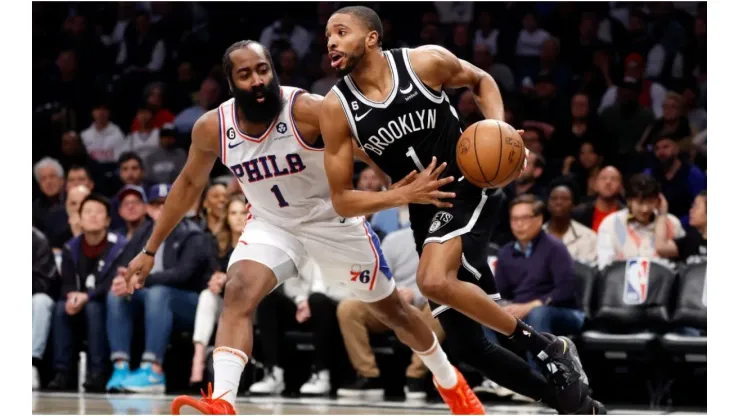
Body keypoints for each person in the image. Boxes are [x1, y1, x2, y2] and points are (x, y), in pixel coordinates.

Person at [122, 40, 482, 415]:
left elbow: (370, 148)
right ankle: (223, 403)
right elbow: (187, 187)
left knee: (394, 312)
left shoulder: (309, 110)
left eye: (263, 70)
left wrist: (403, 184)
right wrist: (149, 251)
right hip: (272, 224)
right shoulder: (212, 128)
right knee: (239, 290)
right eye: (245, 75)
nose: (258, 80)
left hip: (332, 221)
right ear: (231, 84)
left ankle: (450, 382)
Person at [321, 6, 603, 414]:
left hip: (468, 185)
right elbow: (342, 199)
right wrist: (400, 195)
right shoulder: (336, 107)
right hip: (423, 209)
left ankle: (547, 345)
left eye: (341, 32)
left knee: (433, 280)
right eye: (327, 34)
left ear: (371, 38)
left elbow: (481, 80)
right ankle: (576, 405)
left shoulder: (423, 62)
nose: (331, 41)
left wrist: (500, 131)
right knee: (470, 345)